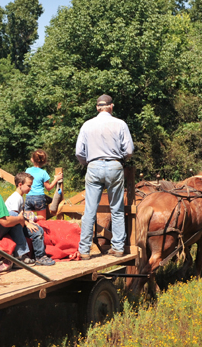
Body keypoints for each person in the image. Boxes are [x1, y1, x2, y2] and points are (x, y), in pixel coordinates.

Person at [74, 94, 134, 259]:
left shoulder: (87, 125)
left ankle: (85, 250)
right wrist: (120, 158)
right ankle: (118, 247)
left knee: (90, 210)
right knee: (117, 209)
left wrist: (88, 163)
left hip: (93, 165)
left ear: (97, 107)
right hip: (115, 165)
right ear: (111, 106)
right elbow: (129, 150)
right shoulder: (120, 124)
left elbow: (79, 151)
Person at [4, 172, 56, 266]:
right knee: (37, 231)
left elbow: (20, 216)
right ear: (20, 185)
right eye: (29, 185)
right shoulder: (16, 198)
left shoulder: (19, 197)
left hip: (19, 223)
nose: (30, 188)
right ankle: (39, 256)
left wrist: (29, 221)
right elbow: (15, 217)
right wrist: (28, 224)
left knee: (38, 228)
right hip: (14, 226)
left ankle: (40, 255)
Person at [24, 149, 63, 214]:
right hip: (39, 197)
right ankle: (35, 218)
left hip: (29, 196)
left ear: (32, 159)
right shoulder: (43, 173)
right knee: (41, 218)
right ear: (44, 161)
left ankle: (32, 220)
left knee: (28, 218)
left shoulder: (27, 171)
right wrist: (56, 179)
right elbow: (49, 187)